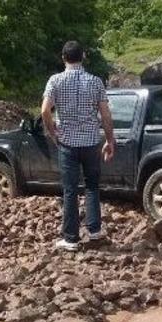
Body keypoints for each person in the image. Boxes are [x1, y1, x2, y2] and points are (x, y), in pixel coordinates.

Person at [42, 41, 115, 252]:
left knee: (70, 190)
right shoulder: (95, 81)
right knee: (92, 186)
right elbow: (106, 115)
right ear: (83, 56)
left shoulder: (55, 81)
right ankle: (94, 231)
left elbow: (45, 111)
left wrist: (52, 132)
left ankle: (71, 239)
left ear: (63, 58)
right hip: (91, 143)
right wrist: (110, 140)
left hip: (67, 144)